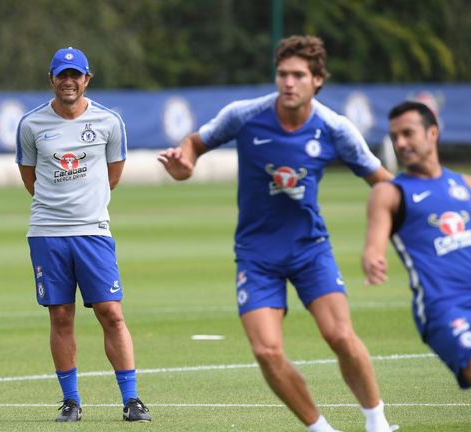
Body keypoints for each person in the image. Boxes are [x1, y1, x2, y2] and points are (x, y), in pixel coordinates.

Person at [158, 35, 396, 432]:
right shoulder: (245, 115)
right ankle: (320, 429)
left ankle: (377, 422)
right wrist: (184, 164)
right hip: (256, 254)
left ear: (317, 80)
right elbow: (194, 144)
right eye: (283, 74)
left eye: (299, 75)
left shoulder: (335, 129)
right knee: (267, 351)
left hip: (310, 249)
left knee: (339, 335)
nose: (288, 82)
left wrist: (383, 240)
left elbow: (386, 186)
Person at [15, 47, 151, 423]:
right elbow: (30, 179)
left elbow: (114, 174)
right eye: (63, 75)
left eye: (76, 75)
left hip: (93, 232)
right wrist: (58, 208)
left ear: (87, 79)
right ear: (52, 80)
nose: (69, 81)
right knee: (60, 315)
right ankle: (71, 401)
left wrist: (87, 207)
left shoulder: (109, 122)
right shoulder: (30, 125)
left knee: (111, 313)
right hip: (47, 233)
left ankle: (132, 399)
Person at [362, 100, 471, 390]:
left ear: (432, 133)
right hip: (444, 307)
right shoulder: (390, 193)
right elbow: (374, 245)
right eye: (395, 136)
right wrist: (372, 259)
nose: (400, 143)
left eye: (408, 133)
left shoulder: (465, 185)